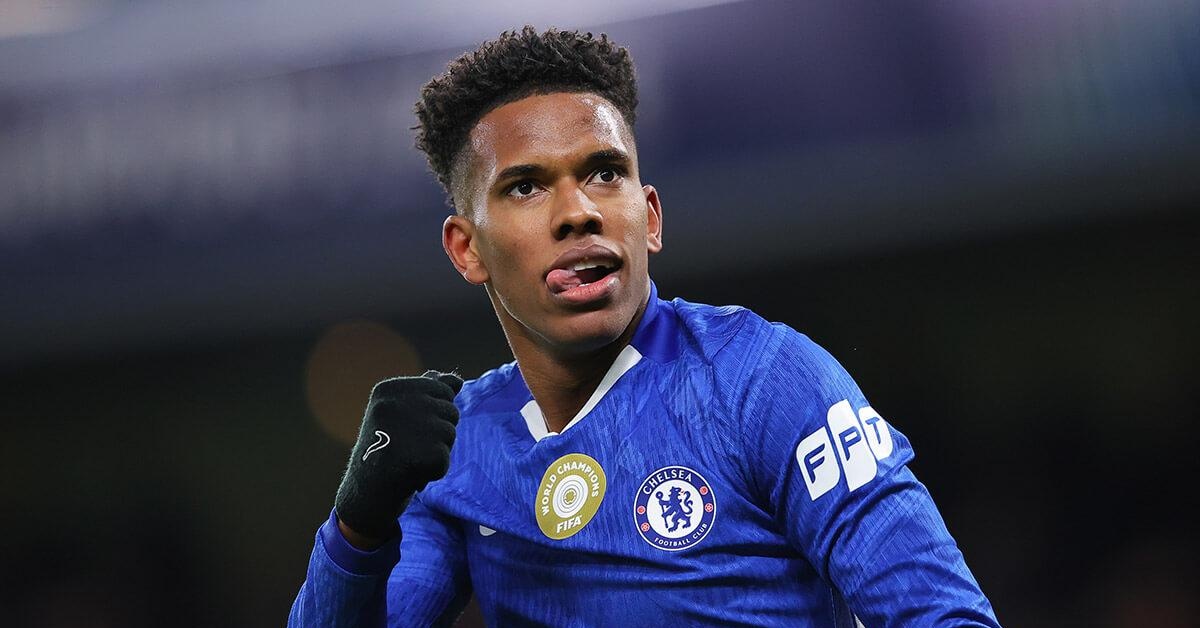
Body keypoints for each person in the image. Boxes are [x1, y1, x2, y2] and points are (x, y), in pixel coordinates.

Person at [289, 26, 1000, 627]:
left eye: (604, 173)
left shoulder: (764, 381)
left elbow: (944, 616)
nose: (579, 212)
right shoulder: (459, 452)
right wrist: (358, 526)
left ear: (650, 217)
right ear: (467, 249)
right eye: (526, 186)